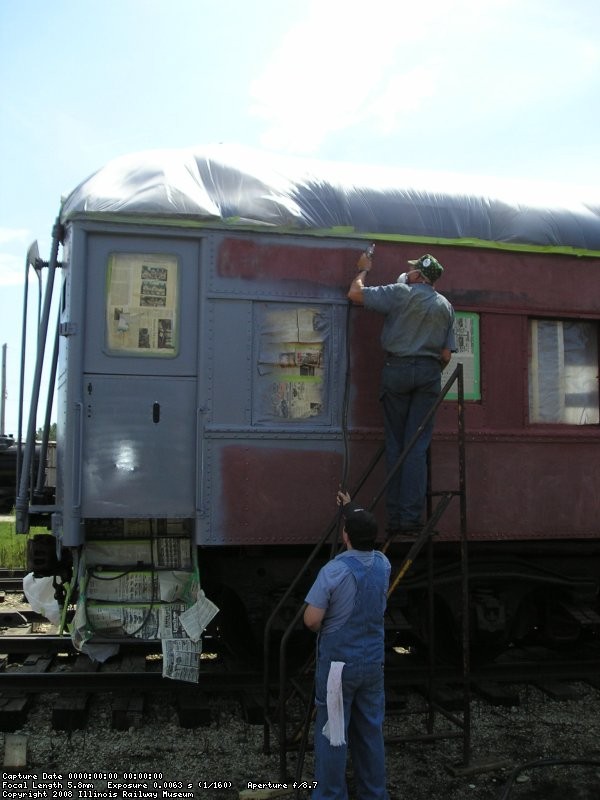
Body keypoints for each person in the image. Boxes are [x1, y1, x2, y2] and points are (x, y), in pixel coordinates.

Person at [348, 251, 456, 534]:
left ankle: (396, 519)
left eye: (411, 270)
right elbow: (446, 355)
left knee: (396, 445)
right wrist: (427, 369)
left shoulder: (400, 292)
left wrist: (363, 270)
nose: (407, 273)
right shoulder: (445, 306)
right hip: (428, 375)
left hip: (396, 370)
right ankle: (411, 520)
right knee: (416, 447)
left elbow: (354, 295)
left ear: (419, 275)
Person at [304, 491, 391, 800]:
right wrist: (351, 505)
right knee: (370, 731)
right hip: (372, 664)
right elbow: (363, 532)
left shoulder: (334, 571)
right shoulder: (383, 564)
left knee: (333, 734)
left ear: (345, 536)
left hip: (338, 669)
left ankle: (330, 795)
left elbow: (312, 619)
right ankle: (375, 794)